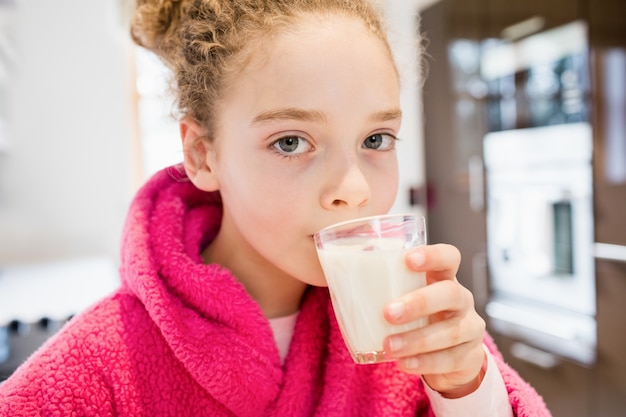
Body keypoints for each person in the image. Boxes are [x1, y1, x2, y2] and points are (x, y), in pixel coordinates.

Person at [0, 0, 551, 415]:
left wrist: (466, 387)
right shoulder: (96, 368)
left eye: (377, 139)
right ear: (201, 154)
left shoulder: (415, 333)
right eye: (291, 142)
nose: (353, 189)